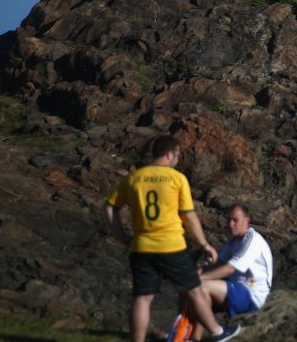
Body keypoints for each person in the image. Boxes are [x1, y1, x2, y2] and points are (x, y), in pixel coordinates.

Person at [105, 134, 241, 342]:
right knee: (194, 289)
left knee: (142, 298)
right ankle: (217, 332)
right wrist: (204, 244)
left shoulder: (135, 177)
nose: (177, 160)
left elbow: (110, 206)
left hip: (141, 246)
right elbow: (188, 215)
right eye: (177, 155)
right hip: (171, 246)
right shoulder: (177, 179)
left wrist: (122, 235)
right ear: (170, 154)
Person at [192, 205, 274, 341]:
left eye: (235, 220)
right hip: (238, 289)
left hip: (254, 296)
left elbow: (229, 269)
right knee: (190, 288)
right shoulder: (233, 241)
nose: (230, 224)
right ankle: (193, 337)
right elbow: (218, 265)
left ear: (246, 221)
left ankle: (217, 334)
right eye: (229, 220)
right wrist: (191, 275)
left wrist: (199, 278)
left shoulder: (252, 240)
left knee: (201, 286)